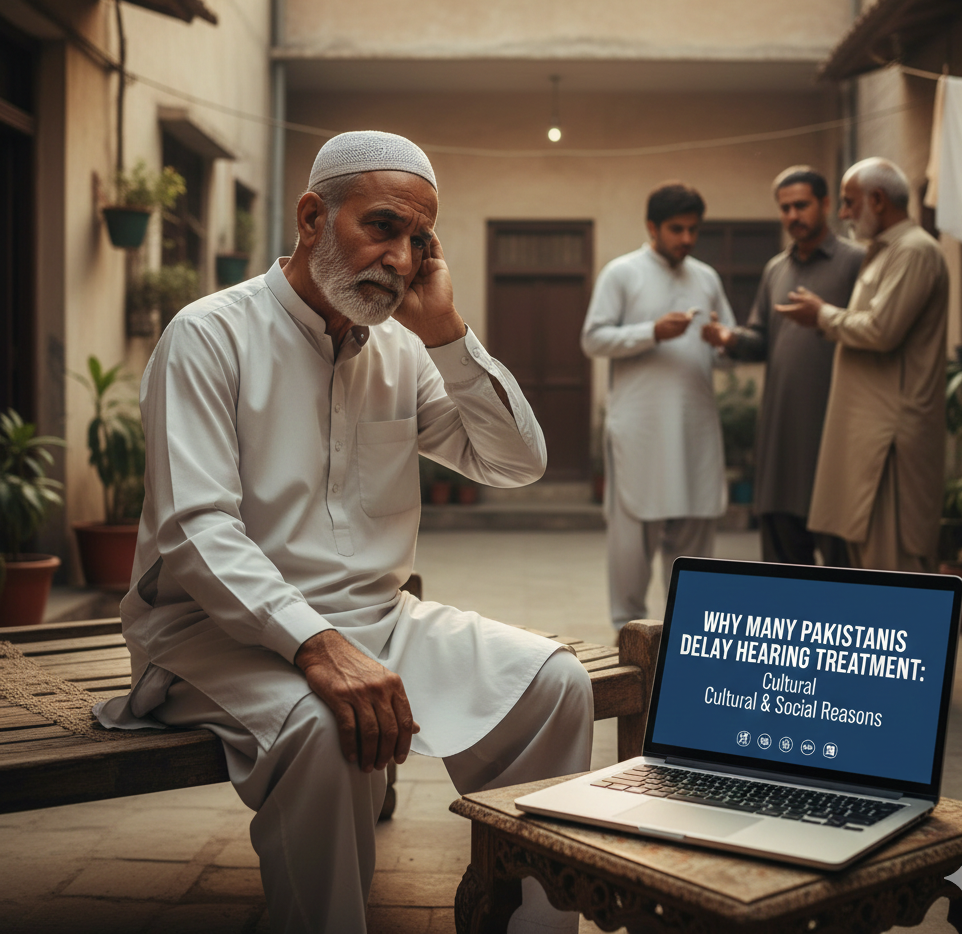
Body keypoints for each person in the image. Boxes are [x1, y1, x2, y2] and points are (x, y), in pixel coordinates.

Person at [94, 131, 593, 934]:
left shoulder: (404, 349)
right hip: (211, 633)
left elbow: (516, 463)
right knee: (324, 727)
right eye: (383, 227)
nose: (400, 258)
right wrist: (316, 645)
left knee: (555, 687)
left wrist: (448, 334)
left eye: (418, 240)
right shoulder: (209, 333)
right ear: (311, 216)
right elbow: (196, 530)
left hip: (378, 621)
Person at [778, 157, 949, 572]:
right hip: (869, 437)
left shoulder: (914, 251)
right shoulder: (885, 252)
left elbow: (881, 330)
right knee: (868, 569)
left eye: (850, 202)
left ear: (877, 199)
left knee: (894, 569)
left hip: (890, 441)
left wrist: (822, 315)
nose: (844, 214)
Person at [581, 182, 734, 632]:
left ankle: (692, 639)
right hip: (640, 431)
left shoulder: (706, 278)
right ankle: (629, 639)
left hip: (695, 429)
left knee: (696, 545)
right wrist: (652, 332)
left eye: (693, 230)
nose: (687, 239)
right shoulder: (622, 273)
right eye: (676, 229)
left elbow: (728, 345)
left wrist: (722, 342)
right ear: (652, 227)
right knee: (631, 547)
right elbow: (593, 338)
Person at [700, 166, 863, 566]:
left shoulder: (856, 262)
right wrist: (730, 339)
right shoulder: (777, 269)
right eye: (785, 208)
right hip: (783, 435)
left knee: (844, 562)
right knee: (784, 565)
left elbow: (871, 331)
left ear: (825, 204)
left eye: (801, 205)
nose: (793, 215)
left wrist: (825, 315)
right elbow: (761, 340)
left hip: (835, 432)